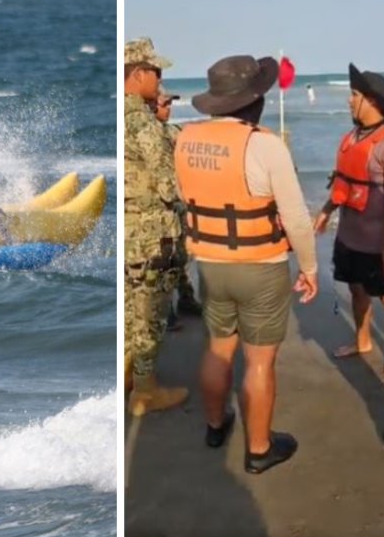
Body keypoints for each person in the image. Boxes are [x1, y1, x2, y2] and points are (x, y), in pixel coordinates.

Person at [173, 55, 318, 474]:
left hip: (211, 263)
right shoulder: (265, 144)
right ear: (253, 101)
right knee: (258, 361)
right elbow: (295, 216)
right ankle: (259, 450)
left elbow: (190, 196)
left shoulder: (185, 138)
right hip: (261, 265)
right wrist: (309, 268)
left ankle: (215, 426)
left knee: (218, 348)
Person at [313, 65, 384, 378]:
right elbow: (344, 181)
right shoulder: (353, 136)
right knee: (356, 290)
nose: (348, 100)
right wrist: (327, 210)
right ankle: (363, 340)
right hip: (350, 235)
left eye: (354, 95)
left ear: (371, 100)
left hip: (381, 240)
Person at [122, 38, 189, 415]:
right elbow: (168, 185)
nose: (160, 82)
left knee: (132, 311)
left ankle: (130, 378)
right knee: (151, 315)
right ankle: (145, 393)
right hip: (152, 236)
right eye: (156, 74)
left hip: (131, 234)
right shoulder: (143, 122)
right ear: (139, 74)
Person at [151, 91, 203, 322]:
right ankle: (166, 310)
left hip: (176, 207)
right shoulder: (145, 134)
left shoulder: (169, 130)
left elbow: (189, 134)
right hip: (156, 211)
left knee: (181, 256)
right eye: (165, 103)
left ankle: (186, 300)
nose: (169, 108)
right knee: (164, 259)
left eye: (171, 103)